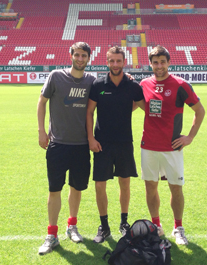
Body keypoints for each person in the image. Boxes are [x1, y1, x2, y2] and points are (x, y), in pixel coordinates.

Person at [139, 45, 205, 245]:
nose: (159, 66)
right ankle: (156, 226)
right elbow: (138, 106)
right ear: (150, 64)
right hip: (148, 146)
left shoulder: (180, 84)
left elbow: (200, 111)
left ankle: (178, 227)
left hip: (172, 148)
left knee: (175, 188)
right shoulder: (143, 84)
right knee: (151, 187)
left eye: (162, 62)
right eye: (155, 62)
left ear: (168, 62)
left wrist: (190, 137)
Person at [37, 42, 96, 255]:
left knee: (76, 188)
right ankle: (51, 234)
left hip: (81, 146)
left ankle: (72, 226)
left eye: (84, 56)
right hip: (58, 145)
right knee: (54, 190)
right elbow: (41, 102)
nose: (80, 59)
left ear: (89, 58)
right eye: (77, 55)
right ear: (71, 55)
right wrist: (41, 131)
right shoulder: (56, 76)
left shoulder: (92, 80)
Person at [86, 46, 145, 243]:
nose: (115, 64)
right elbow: (89, 112)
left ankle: (124, 222)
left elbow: (143, 105)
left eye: (119, 61)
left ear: (124, 62)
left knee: (125, 183)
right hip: (101, 143)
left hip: (124, 142)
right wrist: (90, 139)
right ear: (107, 61)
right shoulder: (98, 84)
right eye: (112, 61)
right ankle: (104, 226)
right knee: (100, 185)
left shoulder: (132, 85)